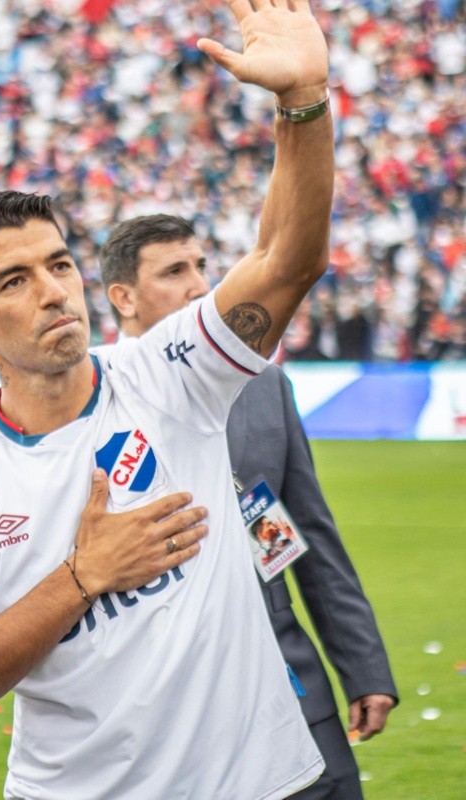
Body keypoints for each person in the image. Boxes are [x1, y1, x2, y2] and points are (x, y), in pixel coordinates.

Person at [0, 1, 335, 796]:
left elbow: (284, 262)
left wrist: (301, 102)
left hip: (261, 783)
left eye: (60, 265)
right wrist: (83, 574)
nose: (54, 291)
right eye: (15, 280)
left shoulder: (168, 370)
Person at [99, 211, 399, 800]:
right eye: (174, 271)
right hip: (167, 715)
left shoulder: (264, 384)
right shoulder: (93, 397)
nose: (198, 285)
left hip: (293, 688)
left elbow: (298, 537)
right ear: (123, 298)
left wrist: (364, 669)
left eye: (201, 267)